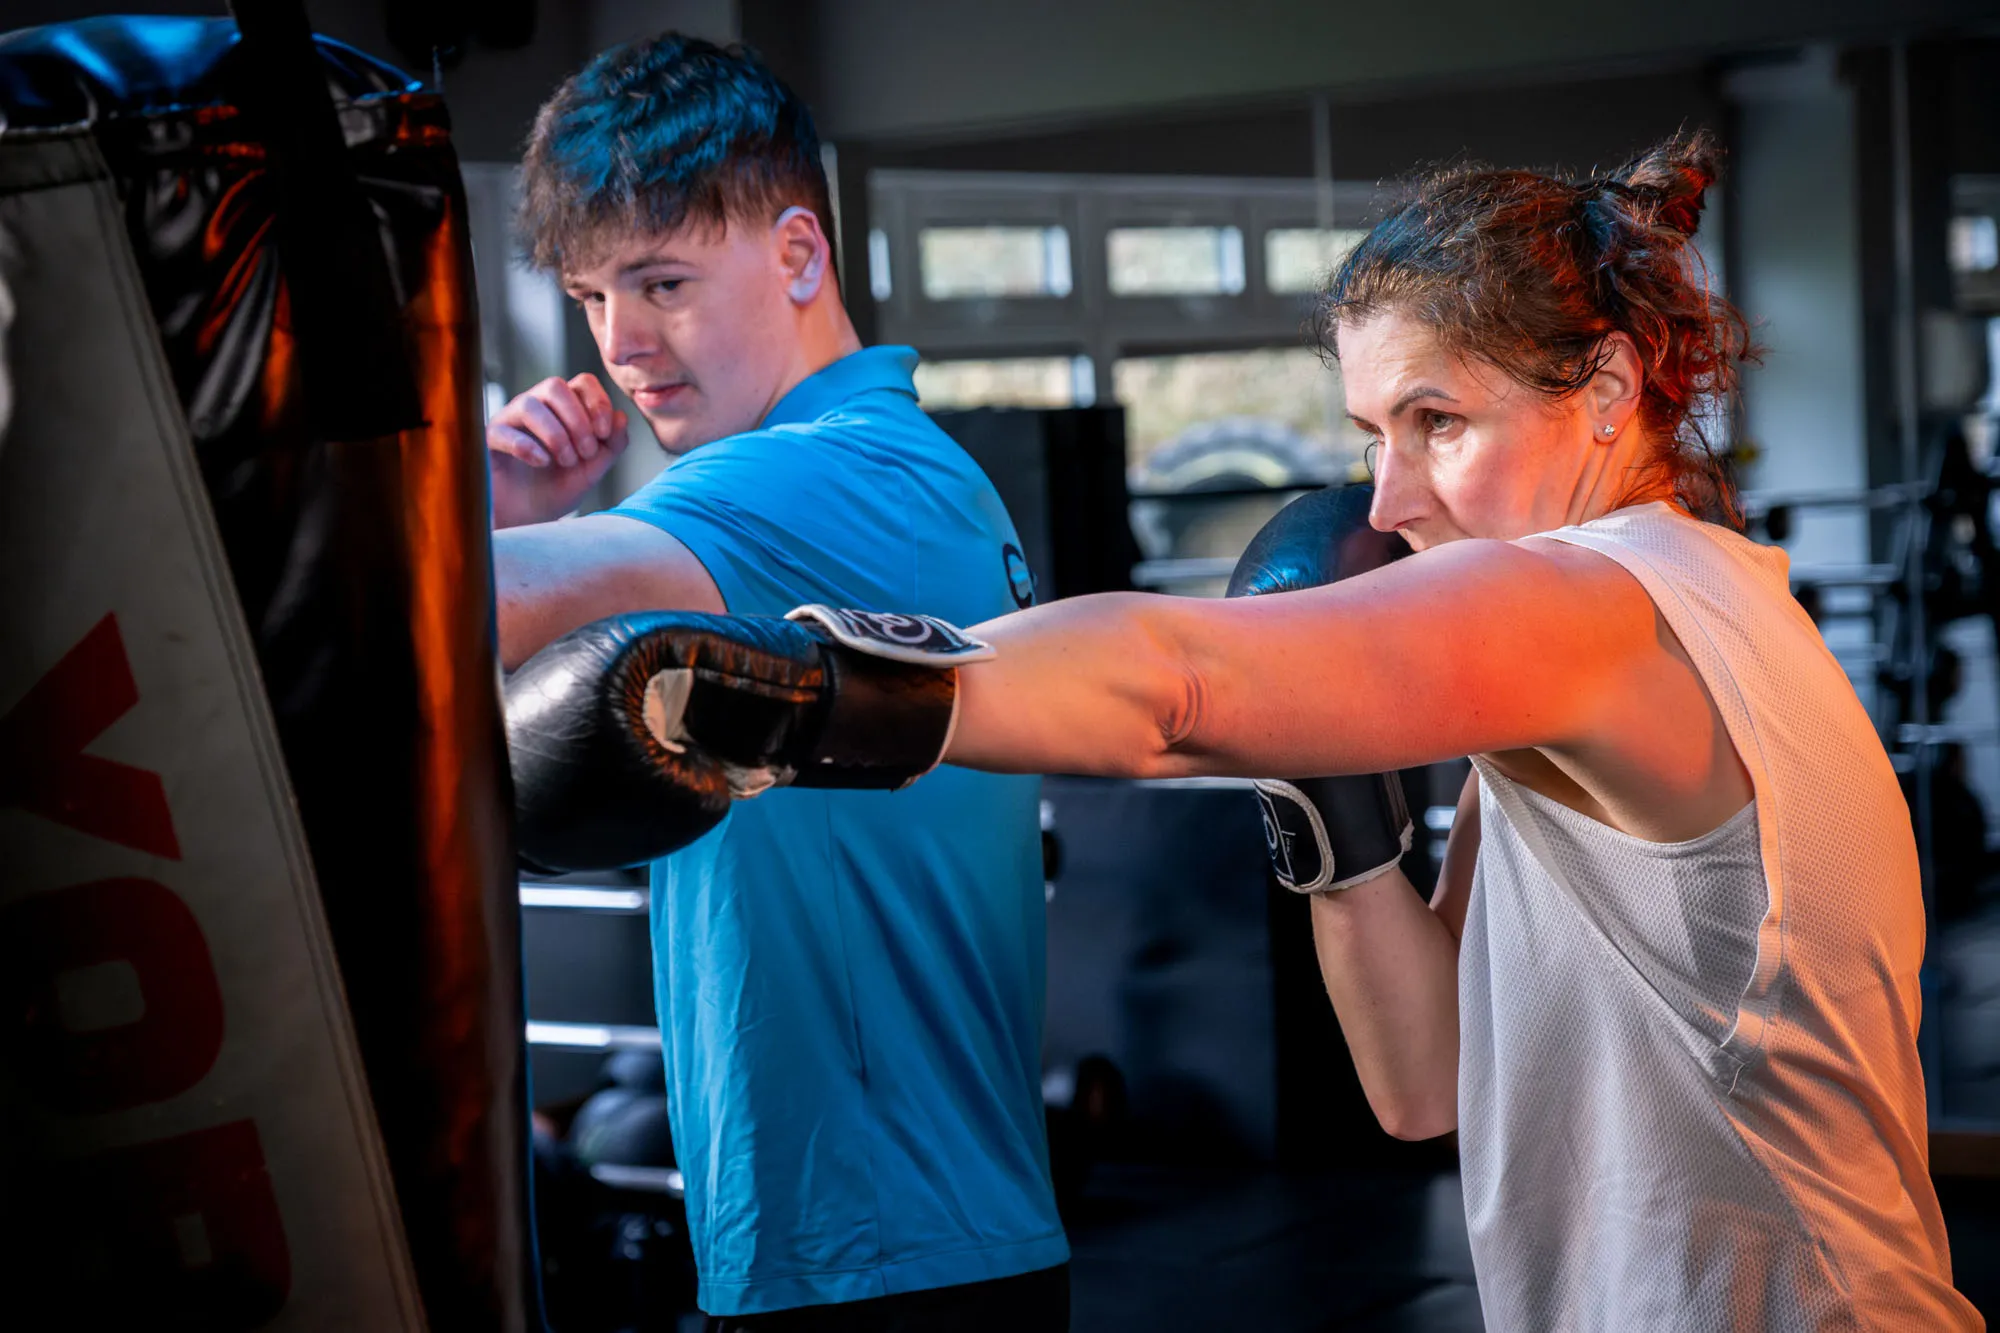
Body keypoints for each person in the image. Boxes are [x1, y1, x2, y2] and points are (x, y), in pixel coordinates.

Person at [507, 131, 1983, 1330]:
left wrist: (793, 697)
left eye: (1438, 424)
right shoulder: (1632, 640)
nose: (1389, 501)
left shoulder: (1600, 605)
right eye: (1367, 438)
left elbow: (1180, 681)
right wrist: (1329, 795)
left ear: (1603, 390)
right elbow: (1426, 1088)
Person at [489, 34, 1069, 1330]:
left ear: (799, 254)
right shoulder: (904, 469)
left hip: (879, 1247)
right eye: (590, 296)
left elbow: (452, 605)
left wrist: (480, 502)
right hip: (893, 1237)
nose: (622, 343)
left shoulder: (821, 479)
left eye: (663, 281)